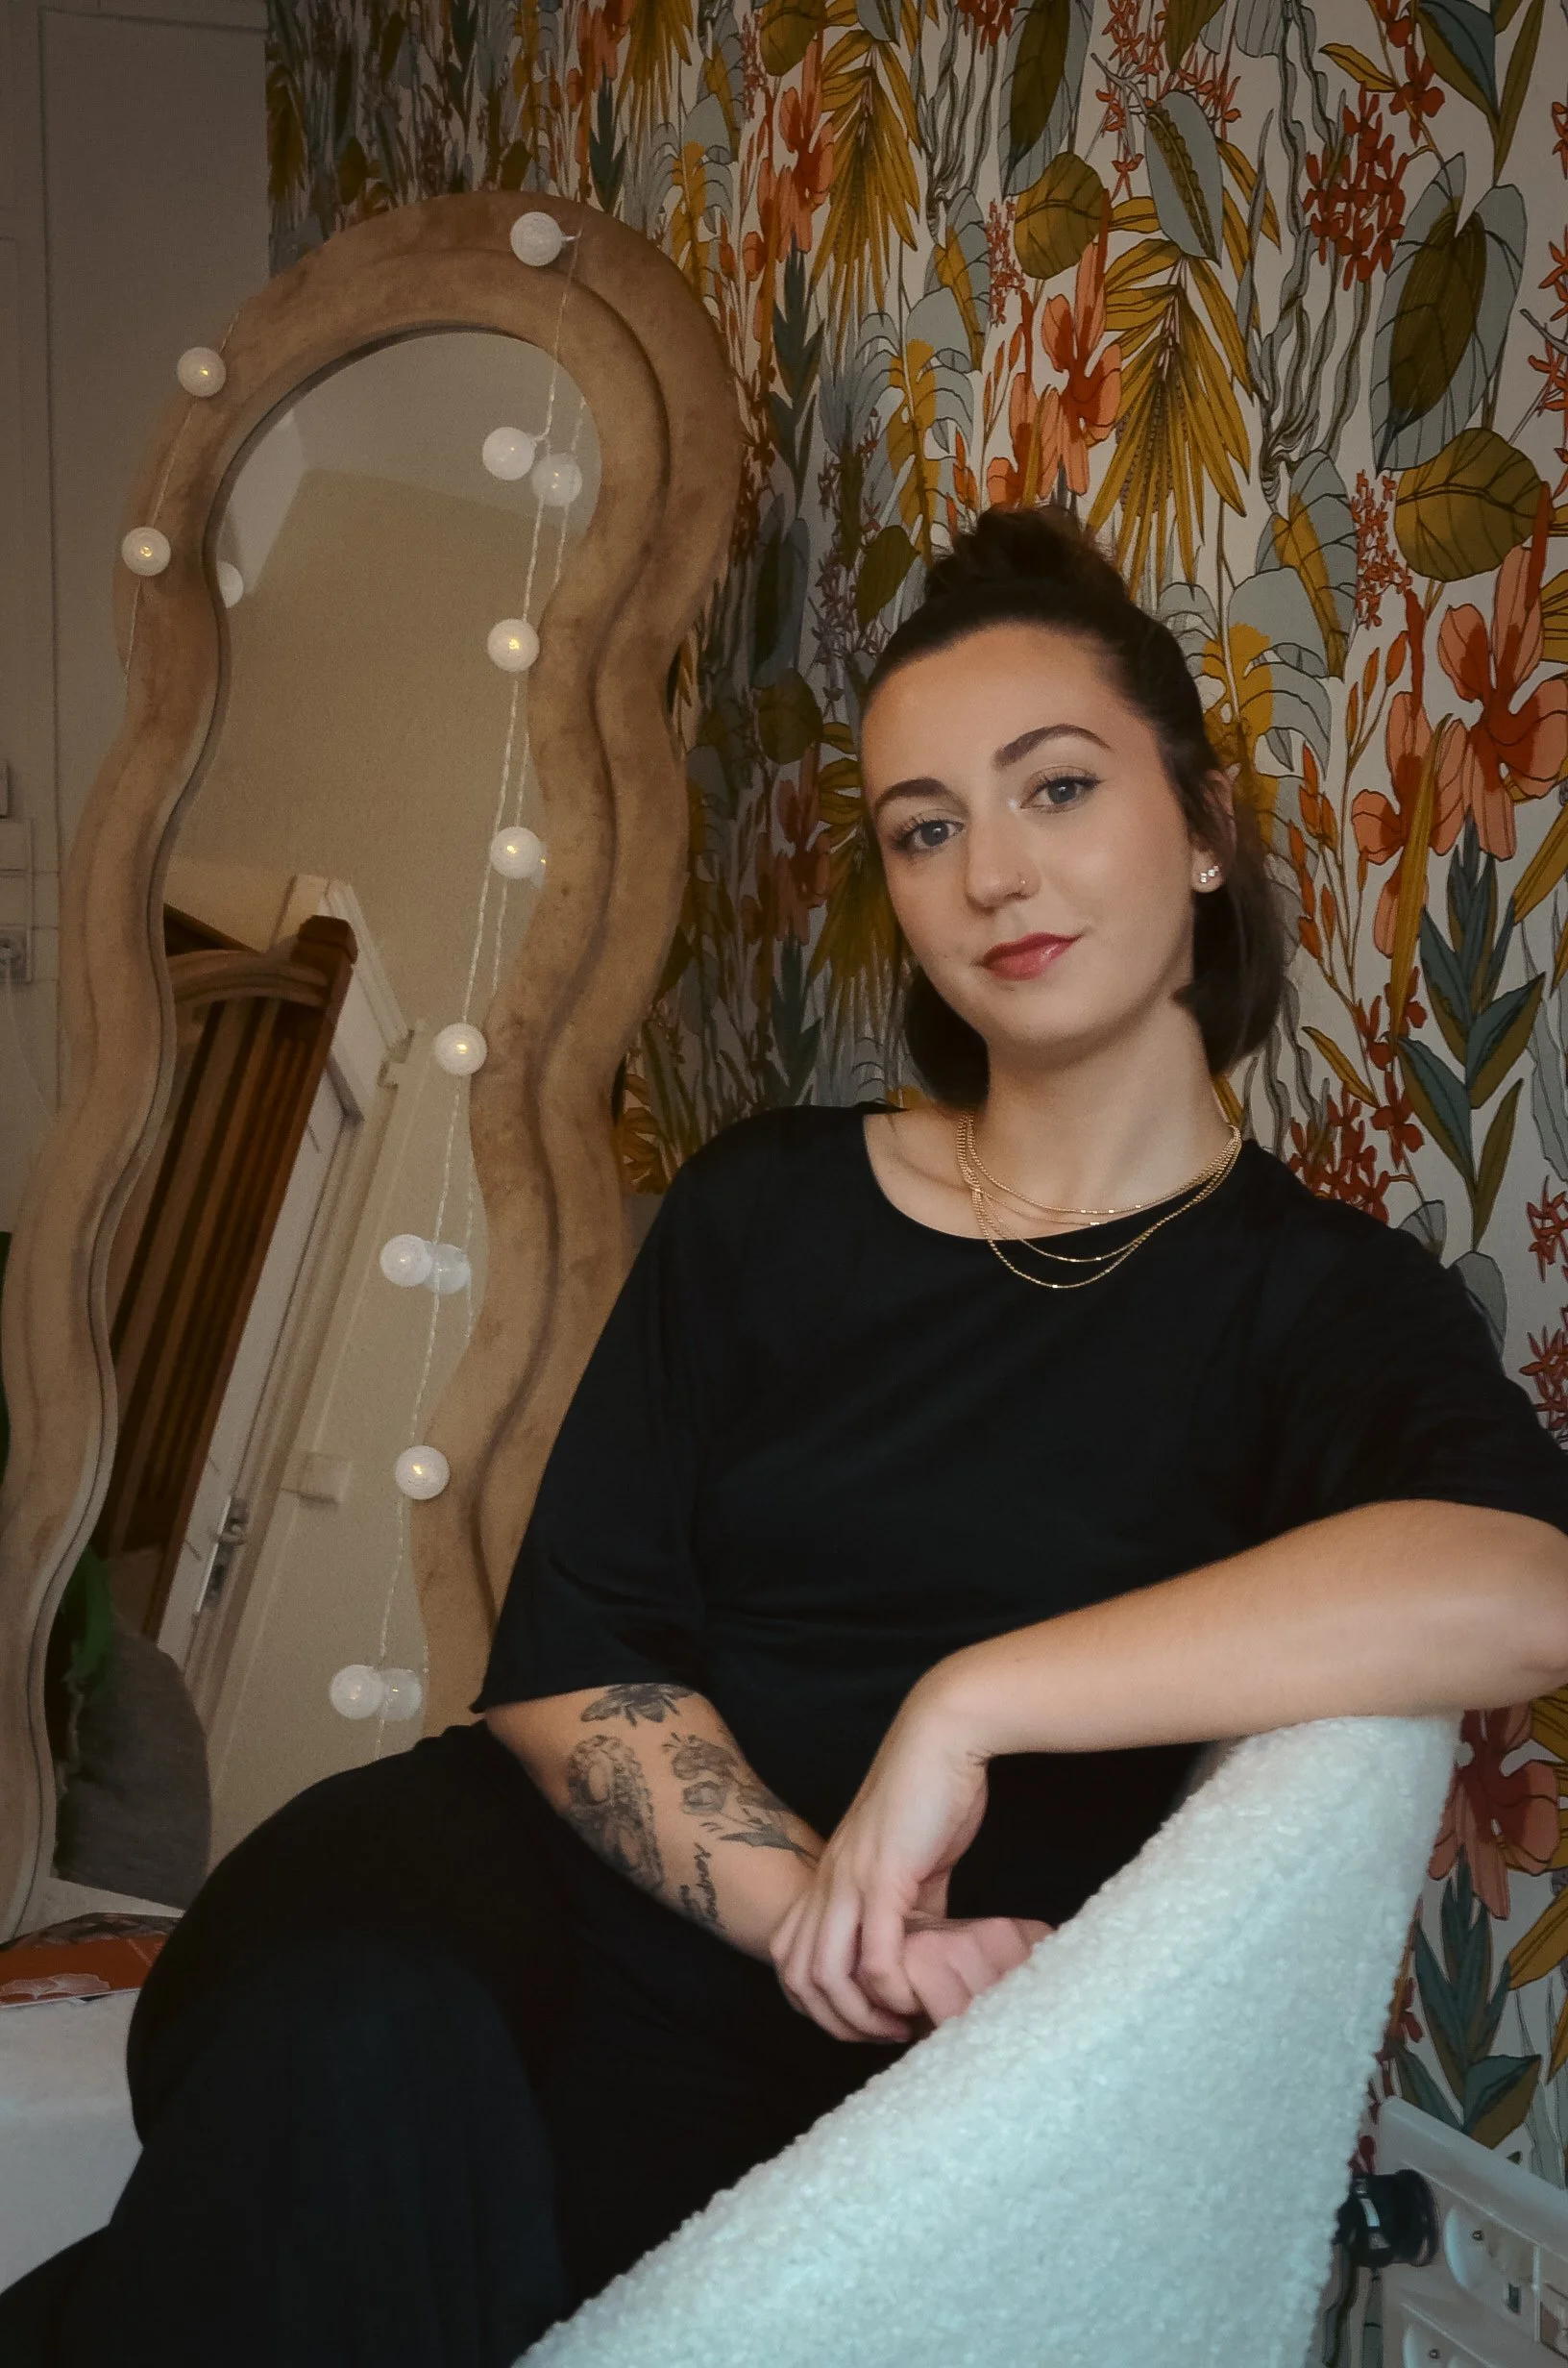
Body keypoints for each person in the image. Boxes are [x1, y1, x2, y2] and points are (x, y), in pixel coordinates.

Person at [9, 505, 1568, 2368]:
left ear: (1208, 832)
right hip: (498, 1896)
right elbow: (576, 1653)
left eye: (1054, 788)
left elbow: (1524, 1576)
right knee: (355, 2043)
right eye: (926, 827)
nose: (994, 871)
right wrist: (802, 1899)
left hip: (879, 2032)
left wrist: (970, 1699)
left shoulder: (1308, 1296)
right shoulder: (765, 1206)